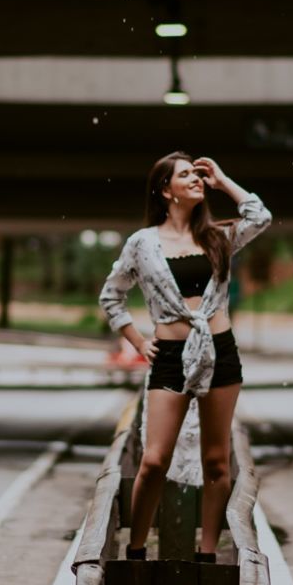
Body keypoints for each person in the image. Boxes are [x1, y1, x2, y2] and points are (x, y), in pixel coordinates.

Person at [98, 153, 272, 562]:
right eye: (186, 175)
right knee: (154, 460)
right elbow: (112, 295)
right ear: (164, 190)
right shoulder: (142, 243)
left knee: (216, 462)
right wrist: (138, 342)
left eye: (198, 174)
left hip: (220, 354)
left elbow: (259, 215)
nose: (196, 179)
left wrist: (223, 179)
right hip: (170, 357)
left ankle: (206, 555)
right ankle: (136, 553)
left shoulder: (217, 236)